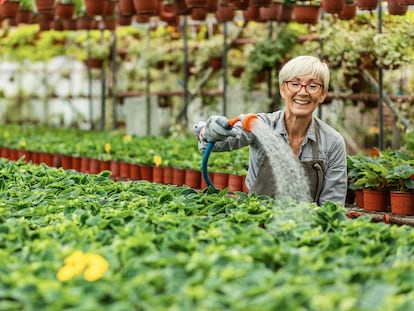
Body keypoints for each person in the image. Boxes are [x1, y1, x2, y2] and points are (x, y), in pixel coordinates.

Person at [193, 55, 348, 206]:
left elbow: (332, 206)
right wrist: (207, 132)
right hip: (256, 217)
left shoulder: (332, 142)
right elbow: (219, 143)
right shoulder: (260, 124)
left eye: (313, 86)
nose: (302, 92)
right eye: (294, 84)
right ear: (282, 90)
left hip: (306, 226)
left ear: (323, 95)